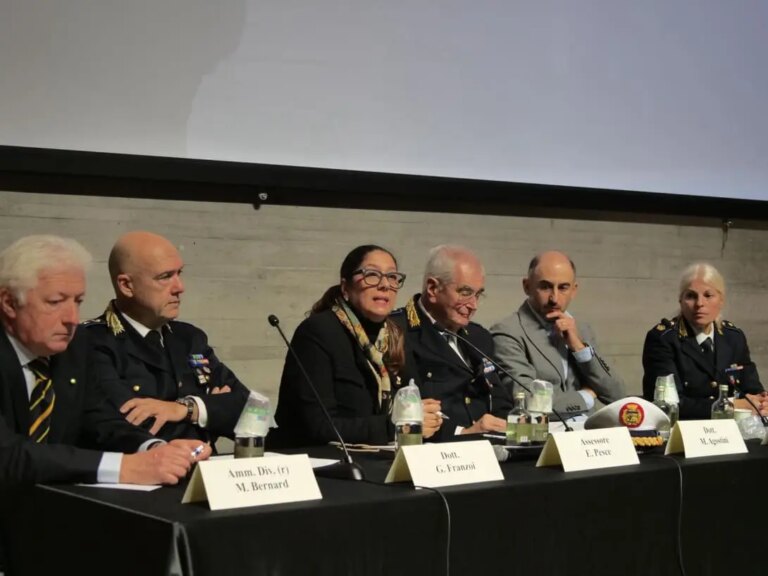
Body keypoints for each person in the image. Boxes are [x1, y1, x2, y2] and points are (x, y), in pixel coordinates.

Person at [0, 235, 209, 486]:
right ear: (9, 303)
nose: (71, 318)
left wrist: (154, 449)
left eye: (78, 301)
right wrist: (124, 467)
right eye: (55, 302)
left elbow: (99, 420)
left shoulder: (74, 347)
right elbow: (8, 454)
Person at [84, 231, 250, 444]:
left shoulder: (189, 338)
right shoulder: (94, 342)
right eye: (165, 277)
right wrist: (213, 410)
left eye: (179, 273)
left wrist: (186, 409)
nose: (180, 287)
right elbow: (129, 429)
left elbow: (253, 414)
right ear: (126, 285)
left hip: (206, 472)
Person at [270, 245, 442, 447]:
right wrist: (396, 426)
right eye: (372, 274)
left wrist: (430, 419)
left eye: (392, 276)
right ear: (345, 288)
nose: (385, 284)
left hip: (383, 457)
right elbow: (315, 426)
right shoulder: (318, 332)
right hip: (324, 463)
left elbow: (416, 407)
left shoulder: (394, 336)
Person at [394, 245, 510, 441]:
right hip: (436, 453)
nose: (473, 305)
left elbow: (500, 400)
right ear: (432, 288)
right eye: (465, 292)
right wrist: (461, 433)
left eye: (478, 294)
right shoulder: (397, 332)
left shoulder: (479, 336)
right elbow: (403, 412)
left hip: (491, 449)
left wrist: (507, 425)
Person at [491, 251, 625, 415]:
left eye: (563, 288)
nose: (554, 298)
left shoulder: (581, 329)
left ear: (574, 290)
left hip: (588, 433)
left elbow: (617, 395)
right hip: (543, 435)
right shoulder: (507, 332)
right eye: (545, 287)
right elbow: (527, 401)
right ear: (527, 287)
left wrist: (578, 347)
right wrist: (586, 397)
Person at [642, 262, 766, 420]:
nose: (700, 303)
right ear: (680, 300)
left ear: (721, 300)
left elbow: (752, 388)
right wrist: (732, 405)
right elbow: (669, 404)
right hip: (683, 432)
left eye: (708, 295)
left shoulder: (733, 337)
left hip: (732, 432)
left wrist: (762, 402)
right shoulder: (663, 339)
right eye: (691, 296)